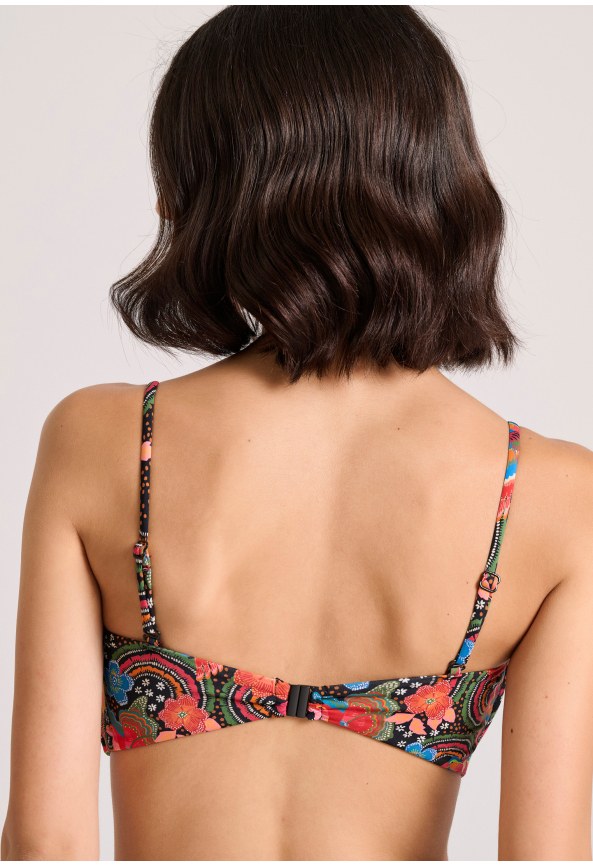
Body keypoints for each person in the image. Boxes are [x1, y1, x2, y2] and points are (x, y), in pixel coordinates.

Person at [2, 6, 592, 861]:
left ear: (204, 193)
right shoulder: (550, 495)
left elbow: (44, 840)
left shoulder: (105, 439)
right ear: (437, 180)